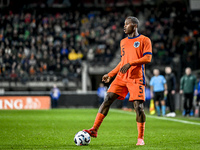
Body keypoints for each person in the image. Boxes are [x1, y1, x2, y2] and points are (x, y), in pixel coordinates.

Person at [83, 16, 152, 146]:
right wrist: (110, 74)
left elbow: (147, 58)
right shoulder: (123, 42)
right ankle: (94, 130)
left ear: (135, 26)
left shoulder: (144, 40)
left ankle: (140, 138)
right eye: (124, 24)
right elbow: (122, 62)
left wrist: (131, 63)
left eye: (127, 24)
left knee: (139, 107)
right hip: (121, 77)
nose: (124, 26)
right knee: (107, 98)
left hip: (136, 78)